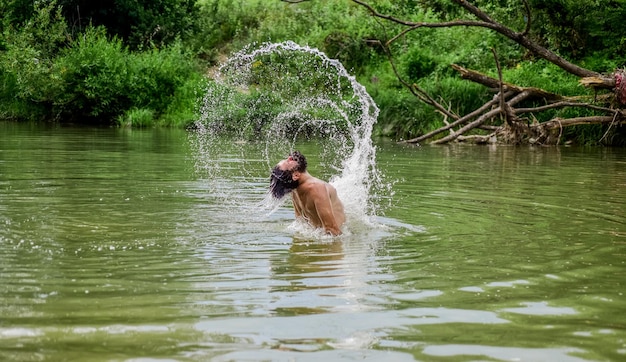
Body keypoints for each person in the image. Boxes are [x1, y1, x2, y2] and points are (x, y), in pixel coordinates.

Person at [270, 151, 345, 236]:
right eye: (288, 162)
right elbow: (332, 230)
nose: (289, 158)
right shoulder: (317, 187)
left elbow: (301, 224)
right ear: (295, 175)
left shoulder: (295, 191)